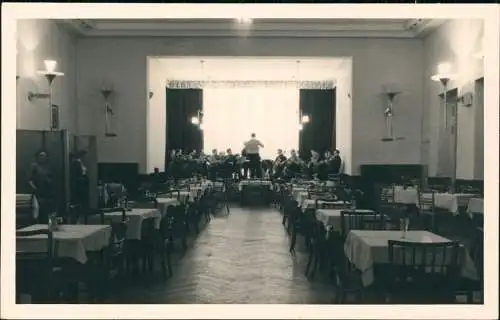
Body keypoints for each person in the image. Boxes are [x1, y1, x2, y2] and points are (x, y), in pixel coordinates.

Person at [27, 150, 56, 223]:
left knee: (47, 210)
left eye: (44, 156)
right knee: (38, 209)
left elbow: (51, 178)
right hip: (38, 192)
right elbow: (29, 180)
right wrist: (34, 188)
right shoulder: (34, 166)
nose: (42, 157)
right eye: (41, 155)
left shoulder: (47, 167)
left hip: (48, 192)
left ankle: (48, 224)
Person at [70, 150, 90, 217]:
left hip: (82, 183)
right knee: (81, 202)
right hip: (80, 184)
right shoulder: (77, 163)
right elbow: (76, 175)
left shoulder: (80, 163)